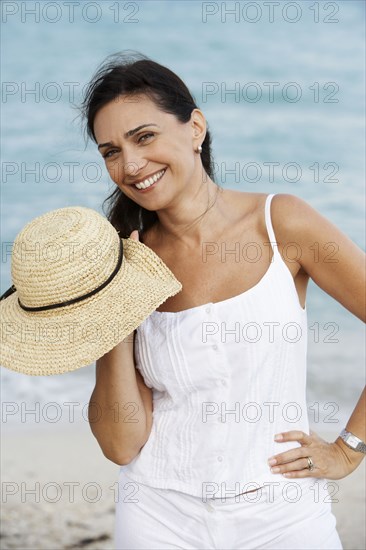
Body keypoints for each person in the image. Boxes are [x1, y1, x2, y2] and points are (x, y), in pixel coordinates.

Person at [81, 52, 365, 550]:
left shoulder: (283, 224)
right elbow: (121, 443)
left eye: (144, 137)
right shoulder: (123, 262)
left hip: (284, 514)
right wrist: (114, 306)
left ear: (195, 128)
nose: (130, 165)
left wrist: (349, 448)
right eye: (110, 151)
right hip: (156, 515)